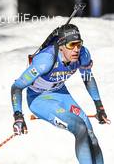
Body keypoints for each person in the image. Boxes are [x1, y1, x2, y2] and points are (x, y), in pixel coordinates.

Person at [10, 24, 108, 164]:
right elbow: (17, 87)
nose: (76, 49)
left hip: (61, 93)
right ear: (61, 46)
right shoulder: (45, 61)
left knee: (90, 135)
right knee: (79, 127)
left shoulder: (83, 55)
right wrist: (18, 116)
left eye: (78, 44)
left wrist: (99, 106)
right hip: (39, 99)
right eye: (71, 45)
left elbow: (87, 78)